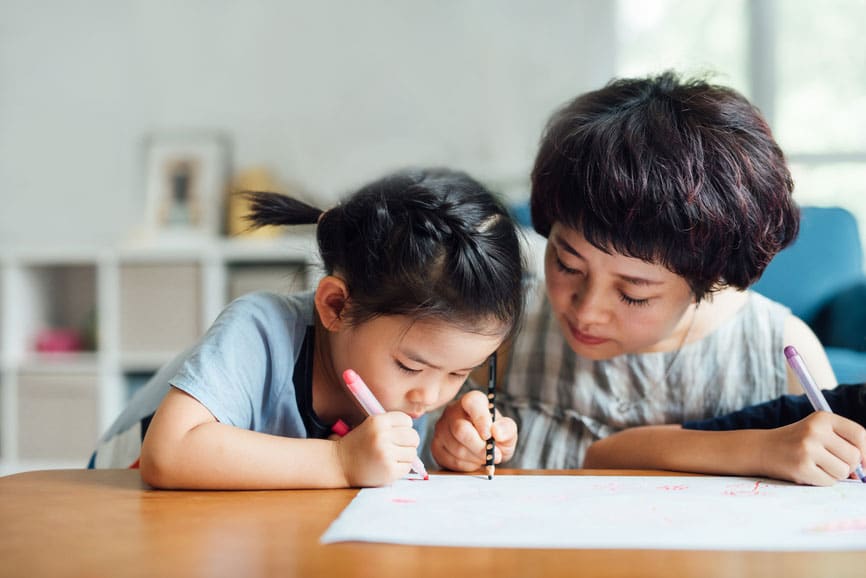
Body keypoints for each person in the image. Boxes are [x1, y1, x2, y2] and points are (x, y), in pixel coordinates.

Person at [429, 71, 866, 486]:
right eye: (566, 264)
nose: (586, 310)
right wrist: (452, 445)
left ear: (709, 280)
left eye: (633, 293)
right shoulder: (505, 328)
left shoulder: (777, 353)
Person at [89, 167, 525, 489]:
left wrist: (450, 448)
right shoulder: (259, 330)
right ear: (336, 306)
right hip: (119, 509)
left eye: (458, 373)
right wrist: (339, 461)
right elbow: (168, 455)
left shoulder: (418, 379)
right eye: (411, 367)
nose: (429, 397)